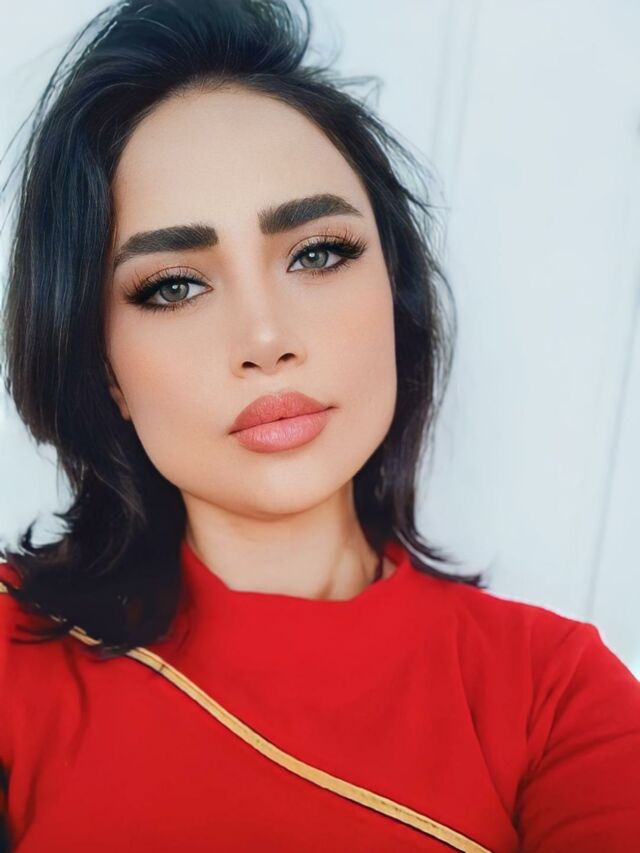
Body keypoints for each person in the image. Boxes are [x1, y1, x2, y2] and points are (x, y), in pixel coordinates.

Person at [0, 1, 638, 850]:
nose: (266, 339)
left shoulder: (556, 695)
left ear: (396, 294)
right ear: (104, 366)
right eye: (174, 286)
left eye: (317, 253)